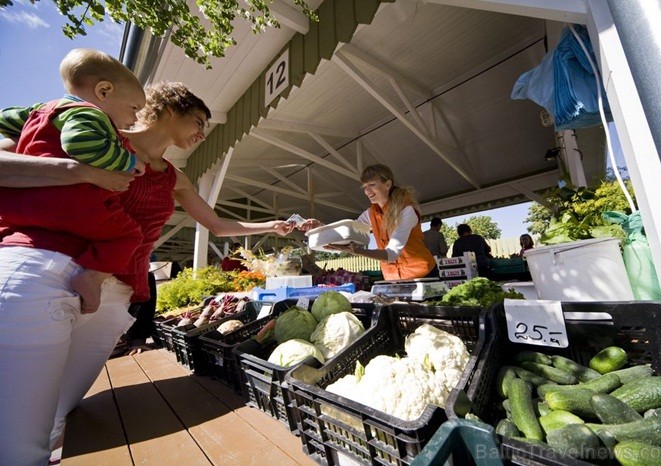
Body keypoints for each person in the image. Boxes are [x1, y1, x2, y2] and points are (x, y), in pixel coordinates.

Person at [0, 80, 294, 465]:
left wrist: (271, 226)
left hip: (116, 293)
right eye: (199, 121)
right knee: (20, 416)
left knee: (64, 402)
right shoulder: (97, 134)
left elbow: (217, 225)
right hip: (53, 270)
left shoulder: (174, 177)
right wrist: (77, 170)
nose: (202, 132)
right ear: (171, 109)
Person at [0, 48, 147, 313]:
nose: (134, 119)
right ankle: (91, 277)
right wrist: (129, 161)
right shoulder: (91, 114)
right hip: (69, 203)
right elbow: (80, 143)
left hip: (18, 206)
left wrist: (33, 125)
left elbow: (5, 117)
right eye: (134, 108)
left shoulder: (43, 110)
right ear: (103, 91)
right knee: (128, 234)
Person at [300, 164, 437, 280]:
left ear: (387, 184)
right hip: (393, 279)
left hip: (423, 275)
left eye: (372, 184)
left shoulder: (407, 210)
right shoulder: (371, 213)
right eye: (365, 186)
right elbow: (348, 232)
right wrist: (321, 227)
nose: (367, 191)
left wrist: (357, 251)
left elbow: (392, 253)